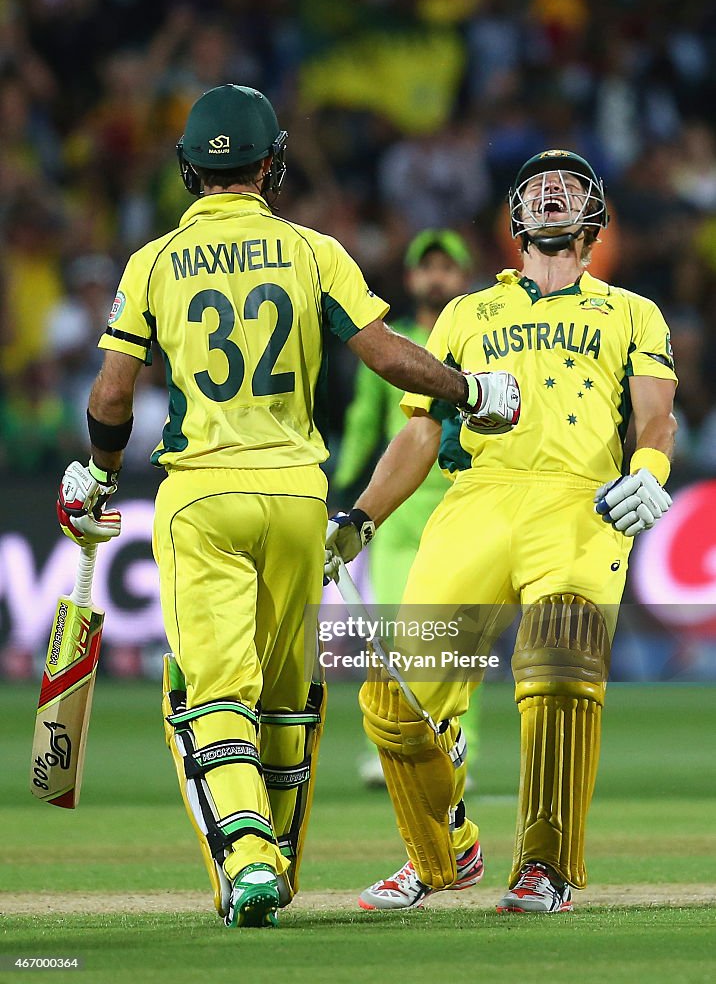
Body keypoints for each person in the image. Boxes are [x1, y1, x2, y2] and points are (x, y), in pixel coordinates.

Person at [54, 84, 521, 930]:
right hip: (300, 498)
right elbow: (386, 356)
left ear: (188, 170)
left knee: (209, 693)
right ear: (272, 167)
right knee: (286, 695)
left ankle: (248, 856)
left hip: (201, 495)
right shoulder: (314, 252)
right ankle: (276, 855)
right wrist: (470, 388)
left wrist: (97, 472)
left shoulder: (152, 263)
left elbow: (115, 391)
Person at [325, 149, 677, 913]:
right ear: (515, 217)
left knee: (560, 685)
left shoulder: (631, 312)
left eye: (570, 185)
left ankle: (543, 869)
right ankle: (441, 849)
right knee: (395, 702)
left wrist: (649, 471)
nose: (553, 191)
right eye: (539, 185)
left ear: (594, 219)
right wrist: (362, 517)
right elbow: (419, 433)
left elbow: (656, 414)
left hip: (578, 508)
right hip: (476, 502)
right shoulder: (465, 311)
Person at [333, 228, 481, 788]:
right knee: (395, 636)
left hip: (463, 508)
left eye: (448, 268)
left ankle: (457, 749)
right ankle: (393, 748)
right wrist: (344, 490)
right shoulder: (388, 345)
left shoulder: (477, 338)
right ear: (413, 278)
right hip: (396, 514)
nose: (436, 277)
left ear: (463, 278)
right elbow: (365, 421)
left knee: (462, 644)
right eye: (428, 268)